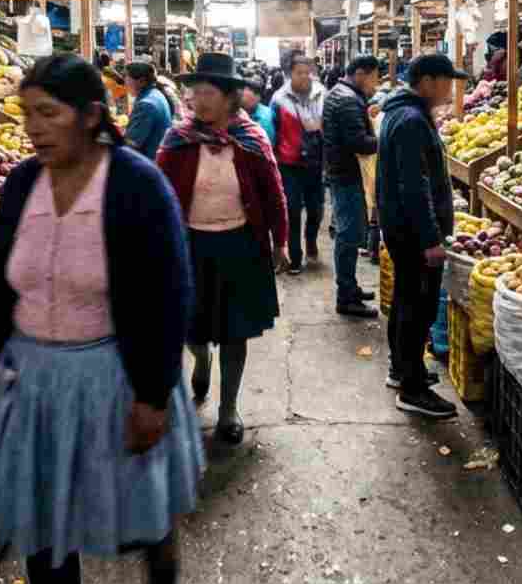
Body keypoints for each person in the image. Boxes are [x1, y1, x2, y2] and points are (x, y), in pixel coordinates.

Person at [0, 54, 202, 584]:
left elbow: (170, 293)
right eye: (27, 113)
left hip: (116, 379)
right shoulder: (24, 183)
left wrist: (153, 395)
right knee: (44, 526)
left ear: (91, 115)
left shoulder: (136, 184)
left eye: (48, 113)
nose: (33, 128)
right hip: (34, 384)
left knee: (144, 518)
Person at [156, 53, 289, 444]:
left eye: (208, 91)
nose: (199, 99)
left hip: (240, 246)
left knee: (236, 333)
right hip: (189, 247)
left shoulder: (250, 140)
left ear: (230, 97)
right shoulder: (177, 140)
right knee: (189, 327)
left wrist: (280, 240)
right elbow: (157, 193)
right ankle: (200, 358)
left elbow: (273, 192)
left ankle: (229, 409)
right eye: (195, 92)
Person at [376, 53, 470, 419]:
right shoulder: (412, 120)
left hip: (402, 228)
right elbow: (415, 186)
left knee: (406, 300)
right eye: (447, 81)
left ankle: (402, 369)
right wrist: (431, 238)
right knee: (418, 306)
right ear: (428, 81)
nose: (451, 88)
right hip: (414, 233)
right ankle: (413, 390)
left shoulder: (402, 113)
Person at [322, 55, 381, 318]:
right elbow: (358, 142)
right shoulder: (346, 99)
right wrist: (382, 139)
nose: (376, 84)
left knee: (350, 232)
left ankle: (351, 287)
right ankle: (346, 297)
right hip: (346, 174)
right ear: (361, 73)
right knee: (348, 235)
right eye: (374, 78)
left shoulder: (341, 92)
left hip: (341, 171)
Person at [270, 54, 326, 274]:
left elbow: (327, 125)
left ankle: (310, 240)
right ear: (289, 74)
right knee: (292, 210)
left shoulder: (321, 93)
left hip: (314, 161)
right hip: (288, 163)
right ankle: (295, 257)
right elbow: (273, 131)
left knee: (316, 209)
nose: (304, 77)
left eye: (307, 72)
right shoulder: (279, 99)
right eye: (299, 73)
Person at [124, 60, 173, 160]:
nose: (125, 81)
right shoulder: (155, 94)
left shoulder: (146, 105)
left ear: (141, 81)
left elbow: (131, 144)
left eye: (127, 77)